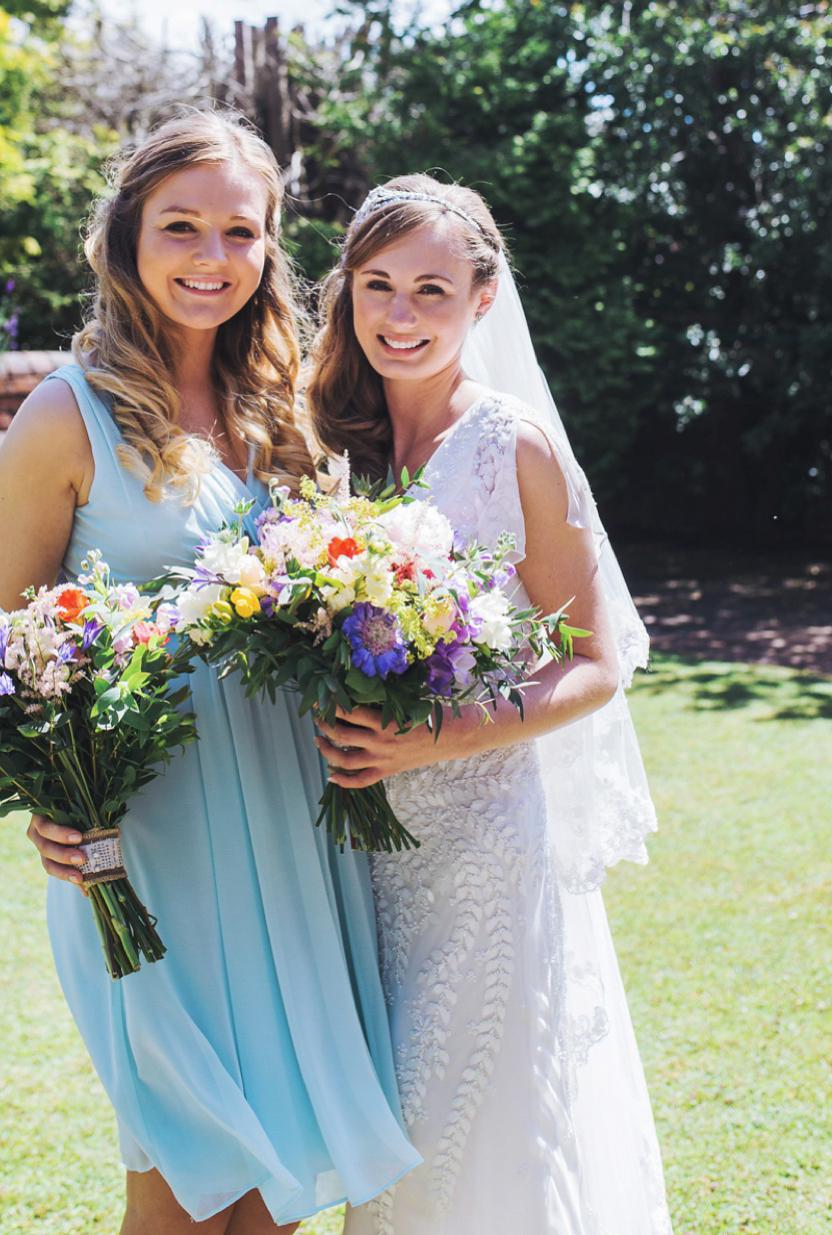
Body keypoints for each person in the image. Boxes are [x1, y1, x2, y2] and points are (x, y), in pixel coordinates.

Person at [0, 114, 419, 1235]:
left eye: (240, 231)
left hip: (289, 826)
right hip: (147, 843)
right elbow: (12, 638)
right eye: (181, 226)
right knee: (183, 1180)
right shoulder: (62, 414)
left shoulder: (288, 415)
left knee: (271, 1182)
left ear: (271, 249)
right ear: (127, 235)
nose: (210, 257)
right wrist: (53, 803)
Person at [306, 175, 673, 1234]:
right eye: (376, 285)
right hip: (363, 854)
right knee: (393, 1140)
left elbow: (595, 660)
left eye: (430, 287)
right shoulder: (337, 449)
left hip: (484, 850)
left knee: (473, 1117)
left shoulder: (512, 444)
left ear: (482, 297)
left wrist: (434, 737)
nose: (399, 314)